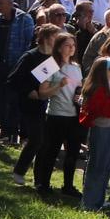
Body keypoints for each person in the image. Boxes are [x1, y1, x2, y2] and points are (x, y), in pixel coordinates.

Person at [32, 32, 82, 196]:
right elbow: (42, 93)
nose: (71, 48)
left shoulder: (76, 67)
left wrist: (79, 96)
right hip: (56, 115)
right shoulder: (49, 65)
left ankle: (68, 186)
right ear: (59, 47)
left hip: (74, 115)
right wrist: (58, 86)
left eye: (73, 45)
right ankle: (43, 184)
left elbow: (78, 90)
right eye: (68, 45)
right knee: (51, 151)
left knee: (73, 153)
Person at [8, 22, 59, 186]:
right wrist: (28, 91)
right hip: (28, 104)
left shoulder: (52, 60)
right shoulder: (30, 56)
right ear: (44, 38)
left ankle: (39, 179)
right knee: (36, 139)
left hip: (44, 104)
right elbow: (13, 80)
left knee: (42, 141)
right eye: (54, 36)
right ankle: (19, 171)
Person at [78, 56, 110, 212]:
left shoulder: (106, 86)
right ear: (104, 71)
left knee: (104, 166)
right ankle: (90, 202)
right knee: (97, 165)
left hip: (108, 129)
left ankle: (98, 200)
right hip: (100, 129)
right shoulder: (98, 88)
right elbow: (105, 110)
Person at [0, 0, 34, 142]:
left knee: (13, 100)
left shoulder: (24, 19)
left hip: (15, 66)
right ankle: (5, 131)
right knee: (0, 99)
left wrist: (23, 66)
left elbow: (28, 43)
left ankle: (13, 132)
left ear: (9, 3)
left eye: (0, 3)